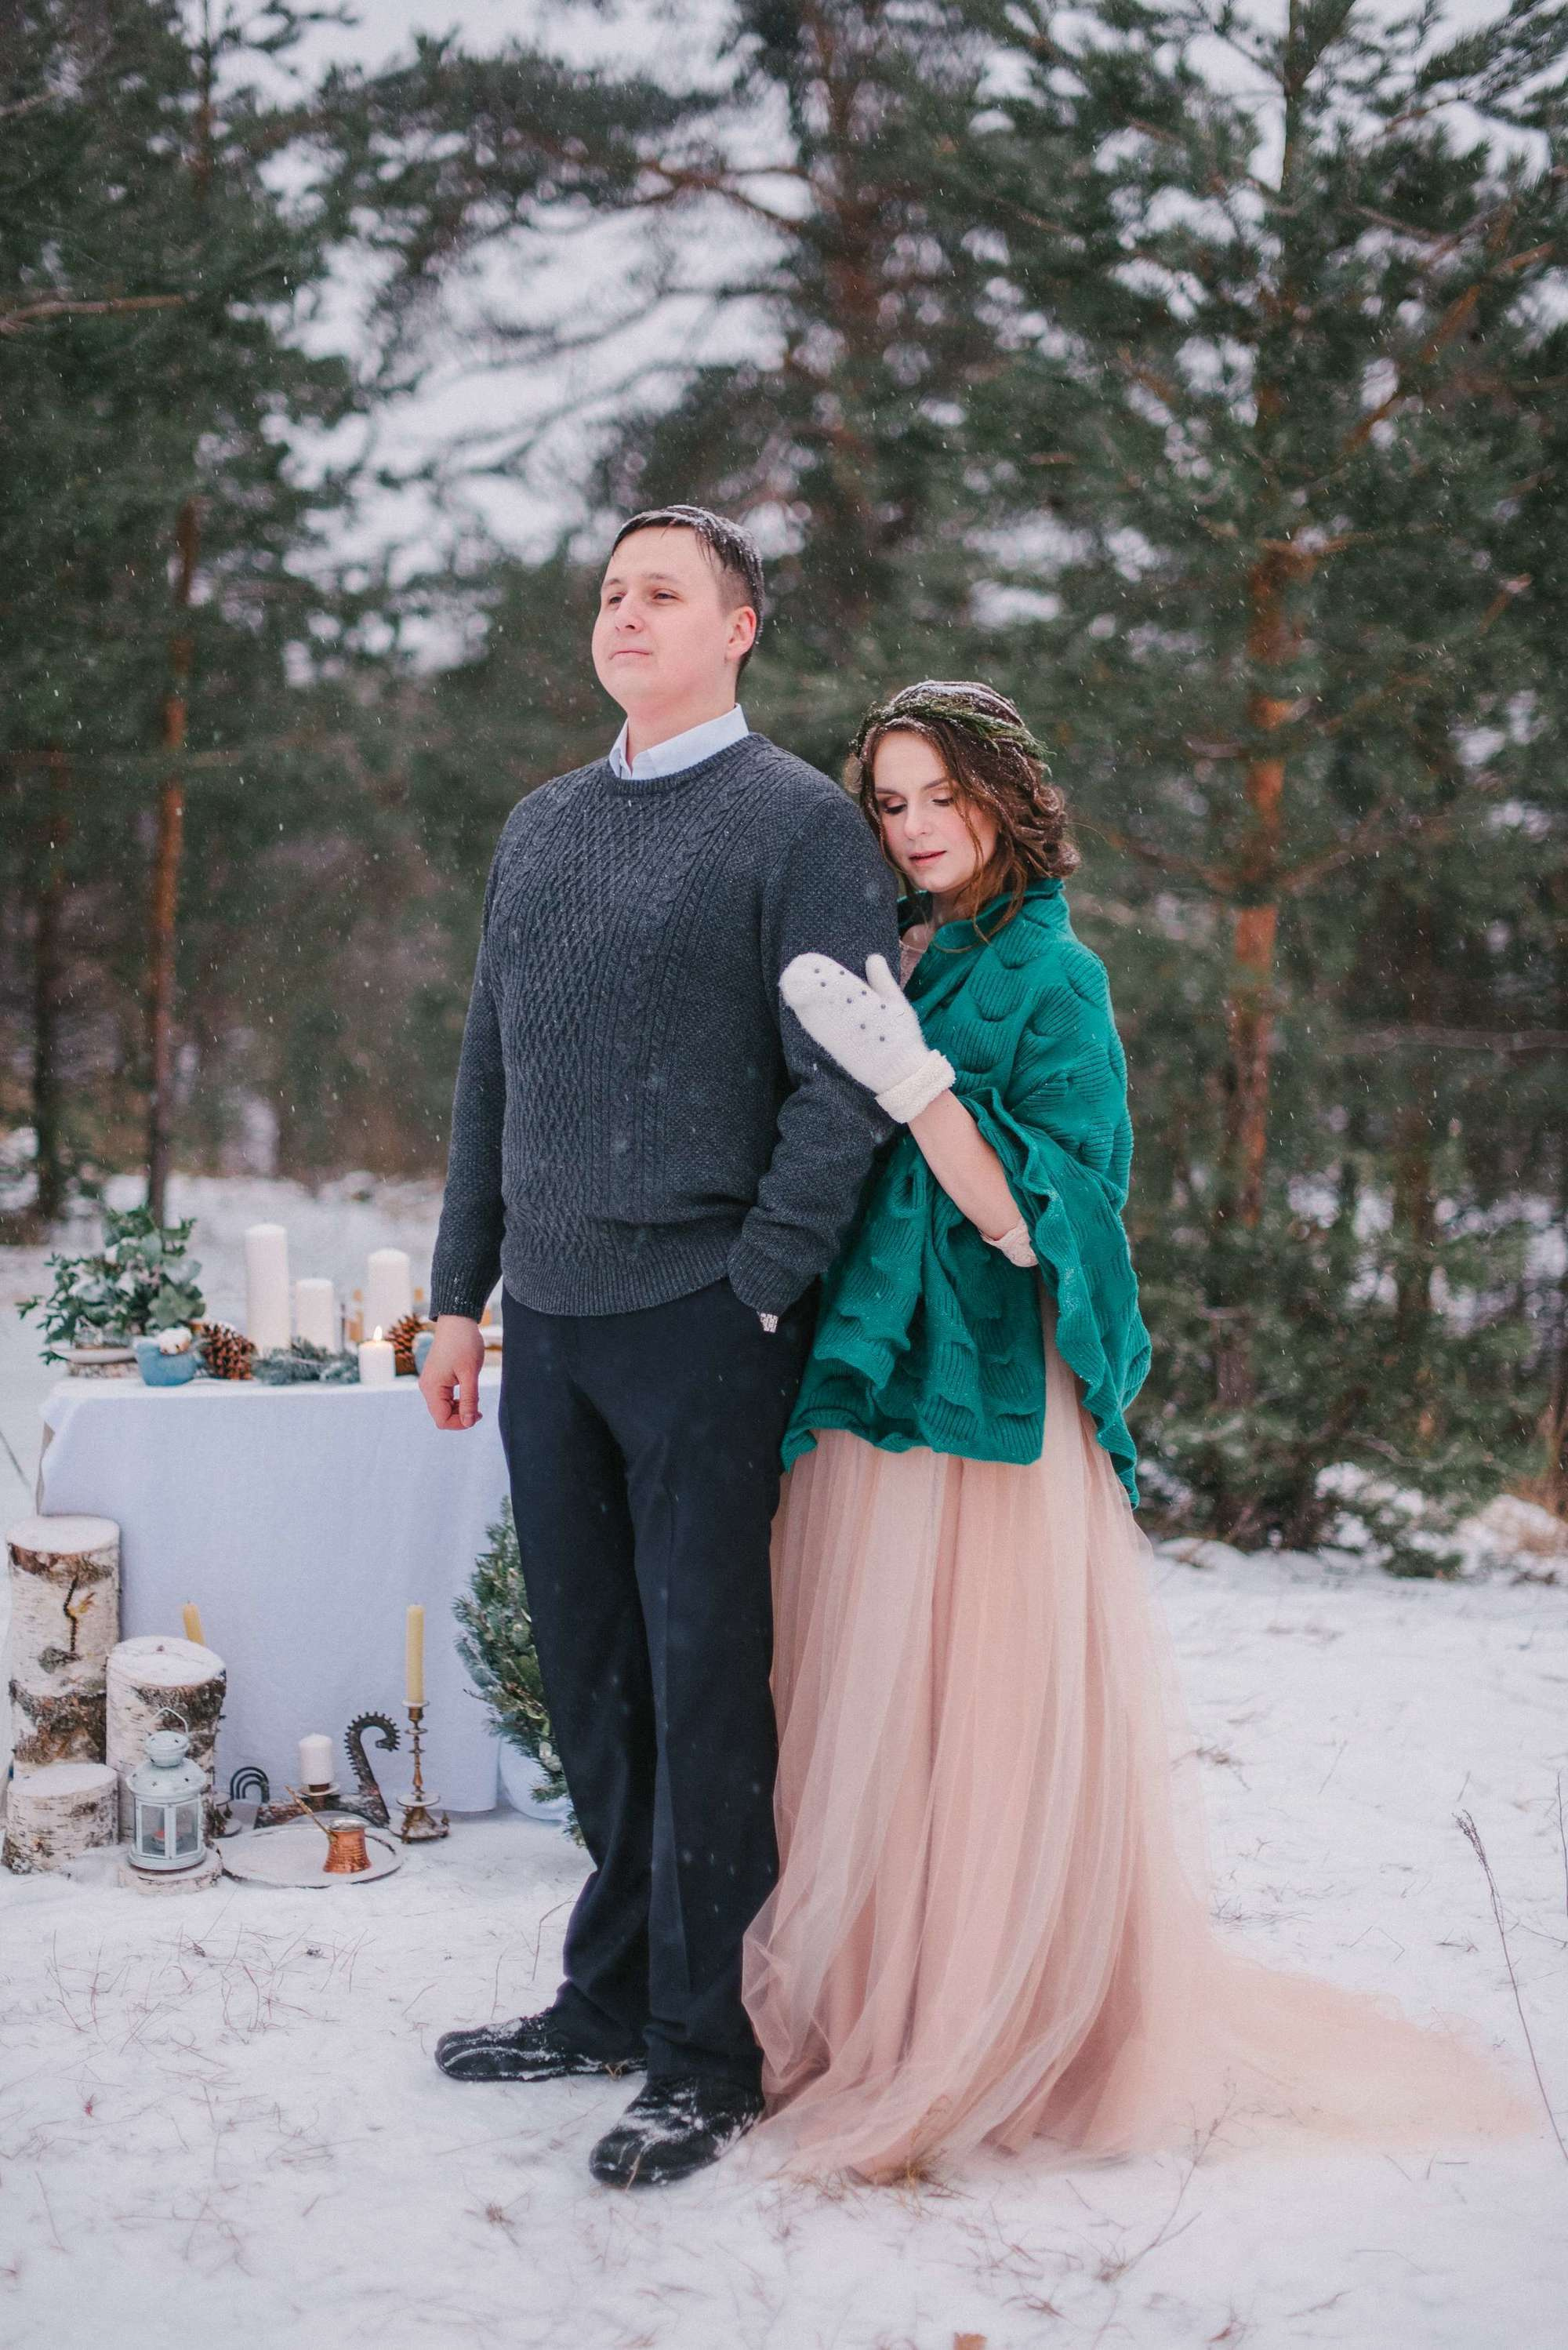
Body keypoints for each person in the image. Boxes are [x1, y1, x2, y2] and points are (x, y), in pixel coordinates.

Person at [739, 679, 1530, 2181]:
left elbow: (1048, 1225)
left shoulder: (1058, 976)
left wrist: (915, 1084)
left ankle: (978, 2019)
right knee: (864, 1709)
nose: (913, 828)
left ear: (1007, 799)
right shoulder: (890, 946)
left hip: (980, 1403)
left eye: (940, 797)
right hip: (868, 1376)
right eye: (890, 801)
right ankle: (867, 1997)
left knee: (972, 1713)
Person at [419, 506, 898, 2188]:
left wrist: (756, 1282)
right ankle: (609, 1991)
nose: (625, 614)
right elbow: (491, 1071)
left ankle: (711, 2047)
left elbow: (848, 1081)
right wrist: (458, 1292)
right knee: (595, 1689)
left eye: (663, 591)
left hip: (702, 1321)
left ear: (739, 627)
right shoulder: (540, 829)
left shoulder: (797, 826)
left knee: (705, 1696)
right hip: (547, 1323)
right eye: (612, 591)